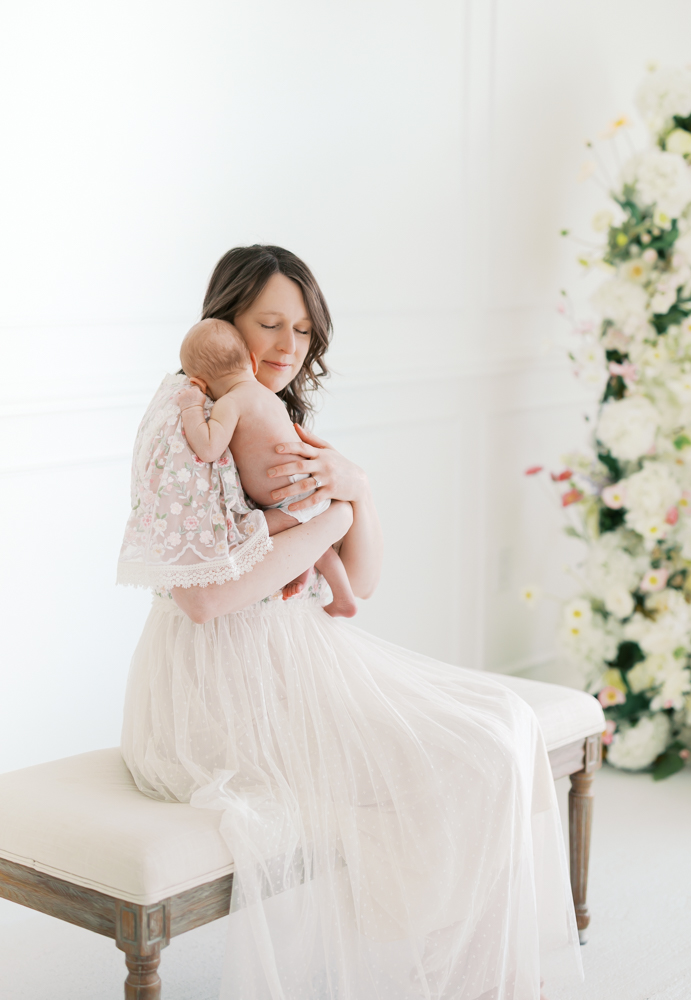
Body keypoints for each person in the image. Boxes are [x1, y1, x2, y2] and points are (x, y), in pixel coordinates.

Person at [120, 245, 582, 1000]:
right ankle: (449, 974)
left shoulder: (273, 418)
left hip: (289, 655)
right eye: (269, 323)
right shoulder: (189, 413)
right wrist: (327, 520)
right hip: (211, 690)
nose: (285, 347)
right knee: (468, 755)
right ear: (224, 320)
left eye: (302, 332)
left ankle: (462, 977)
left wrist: (357, 489)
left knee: (496, 734)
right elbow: (203, 600)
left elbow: (357, 584)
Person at [174, 317, 356, 615]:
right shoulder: (269, 397)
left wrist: (191, 407)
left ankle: (310, 574)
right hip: (308, 488)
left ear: (200, 383)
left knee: (246, 536)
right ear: (253, 362)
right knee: (314, 539)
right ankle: (342, 595)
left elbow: (208, 448)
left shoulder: (230, 402)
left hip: (290, 501)